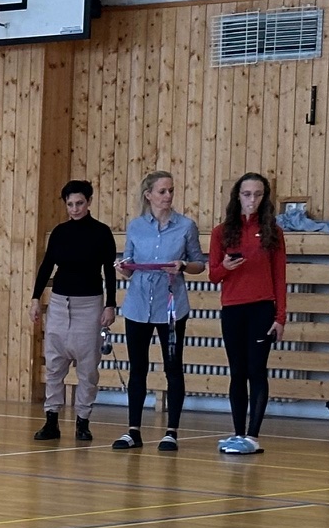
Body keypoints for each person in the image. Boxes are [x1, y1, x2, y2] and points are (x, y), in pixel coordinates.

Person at [114, 170, 206, 452]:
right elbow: (129, 266)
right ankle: (133, 430)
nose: (168, 196)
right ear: (149, 195)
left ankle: (171, 431)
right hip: (138, 304)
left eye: (171, 190)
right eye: (162, 191)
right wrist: (123, 268)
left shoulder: (186, 226)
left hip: (171, 306)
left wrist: (182, 266)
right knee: (137, 368)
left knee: (172, 366)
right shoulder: (136, 226)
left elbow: (199, 264)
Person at [31, 180, 117, 443]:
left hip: (89, 304)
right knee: (54, 364)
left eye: (79, 203)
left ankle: (83, 421)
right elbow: (47, 265)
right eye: (70, 204)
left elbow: (109, 270)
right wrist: (35, 297)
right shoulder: (59, 232)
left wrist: (110, 304)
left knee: (88, 368)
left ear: (89, 202)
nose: (75, 209)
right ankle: (51, 420)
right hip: (60, 302)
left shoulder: (101, 232)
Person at [211, 172, 287, 455]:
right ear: (238, 197)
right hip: (232, 309)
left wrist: (280, 317)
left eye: (257, 194)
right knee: (237, 372)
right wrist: (226, 267)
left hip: (261, 309)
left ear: (264, 197)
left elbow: (279, 276)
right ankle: (238, 433)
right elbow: (213, 275)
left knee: (256, 370)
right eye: (246, 194)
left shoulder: (273, 232)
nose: (252, 199)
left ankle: (253, 436)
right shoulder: (221, 232)